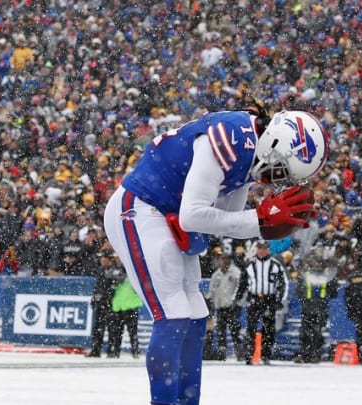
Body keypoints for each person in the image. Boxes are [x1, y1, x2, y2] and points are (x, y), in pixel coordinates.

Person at [103, 105, 327, 404]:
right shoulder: (230, 138)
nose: (275, 181)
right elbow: (194, 216)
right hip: (140, 205)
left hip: (167, 214)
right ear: (274, 144)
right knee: (173, 310)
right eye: (280, 171)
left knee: (196, 312)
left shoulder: (250, 150)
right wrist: (258, 221)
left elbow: (224, 219)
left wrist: (261, 224)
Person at [234, 239, 289, 365]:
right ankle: (249, 355)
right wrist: (237, 298)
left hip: (269, 299)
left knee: (269, 328)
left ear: (268, 249)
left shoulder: (276, 264)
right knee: (251, 328)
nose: (262, 251)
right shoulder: (250, 264)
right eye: (260, 248)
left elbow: (283, 283)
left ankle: (266, 355)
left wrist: (280, 300)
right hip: (254, 298)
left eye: (264, 248)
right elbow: (242, 283)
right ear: (257, 249)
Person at [293, 253, 338, 363]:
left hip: (319, 309)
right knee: (306, 333)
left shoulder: (326, 277)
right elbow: (299, 291)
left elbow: (333, 292)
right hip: (310, 308)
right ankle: (306, 354)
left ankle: (314, 355)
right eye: (315, 263)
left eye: (318, 263)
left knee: (316, 334)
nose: (317, 265)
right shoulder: (311, 276)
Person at [206, 249, 243, 361]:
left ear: (230, 259)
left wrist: (238, 303)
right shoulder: (216, 274)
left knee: (235, 331)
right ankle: (222, 353)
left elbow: (241, 288)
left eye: (226, 258)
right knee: (221, 331)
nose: (224, 260)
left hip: (232, 306)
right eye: (222, 258)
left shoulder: (236, 272)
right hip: (220, 307)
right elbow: (211, 291)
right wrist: (210, 301)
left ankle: (239, 352)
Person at [86, 249, 123, 358]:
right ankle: (96, 350)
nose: (101, 260)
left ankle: (111, 350)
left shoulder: (115, 270)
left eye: (103, 258)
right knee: (98, 327)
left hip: (111, 303)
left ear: (109, 259)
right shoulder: (101, 270)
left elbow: (117, 284)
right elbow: (98, 287)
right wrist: (94, 298)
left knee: (112, 328)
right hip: (101, 303)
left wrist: (106, 294)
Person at [108, 254, 143, 359]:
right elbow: (110, 285)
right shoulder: (113, 271)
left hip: (131, 306)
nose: (118, 260)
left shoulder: (132, 271)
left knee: (132, 332)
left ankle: (135, 352)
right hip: (119, 306)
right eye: (116, 258)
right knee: (118, 332)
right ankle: (116, 352)